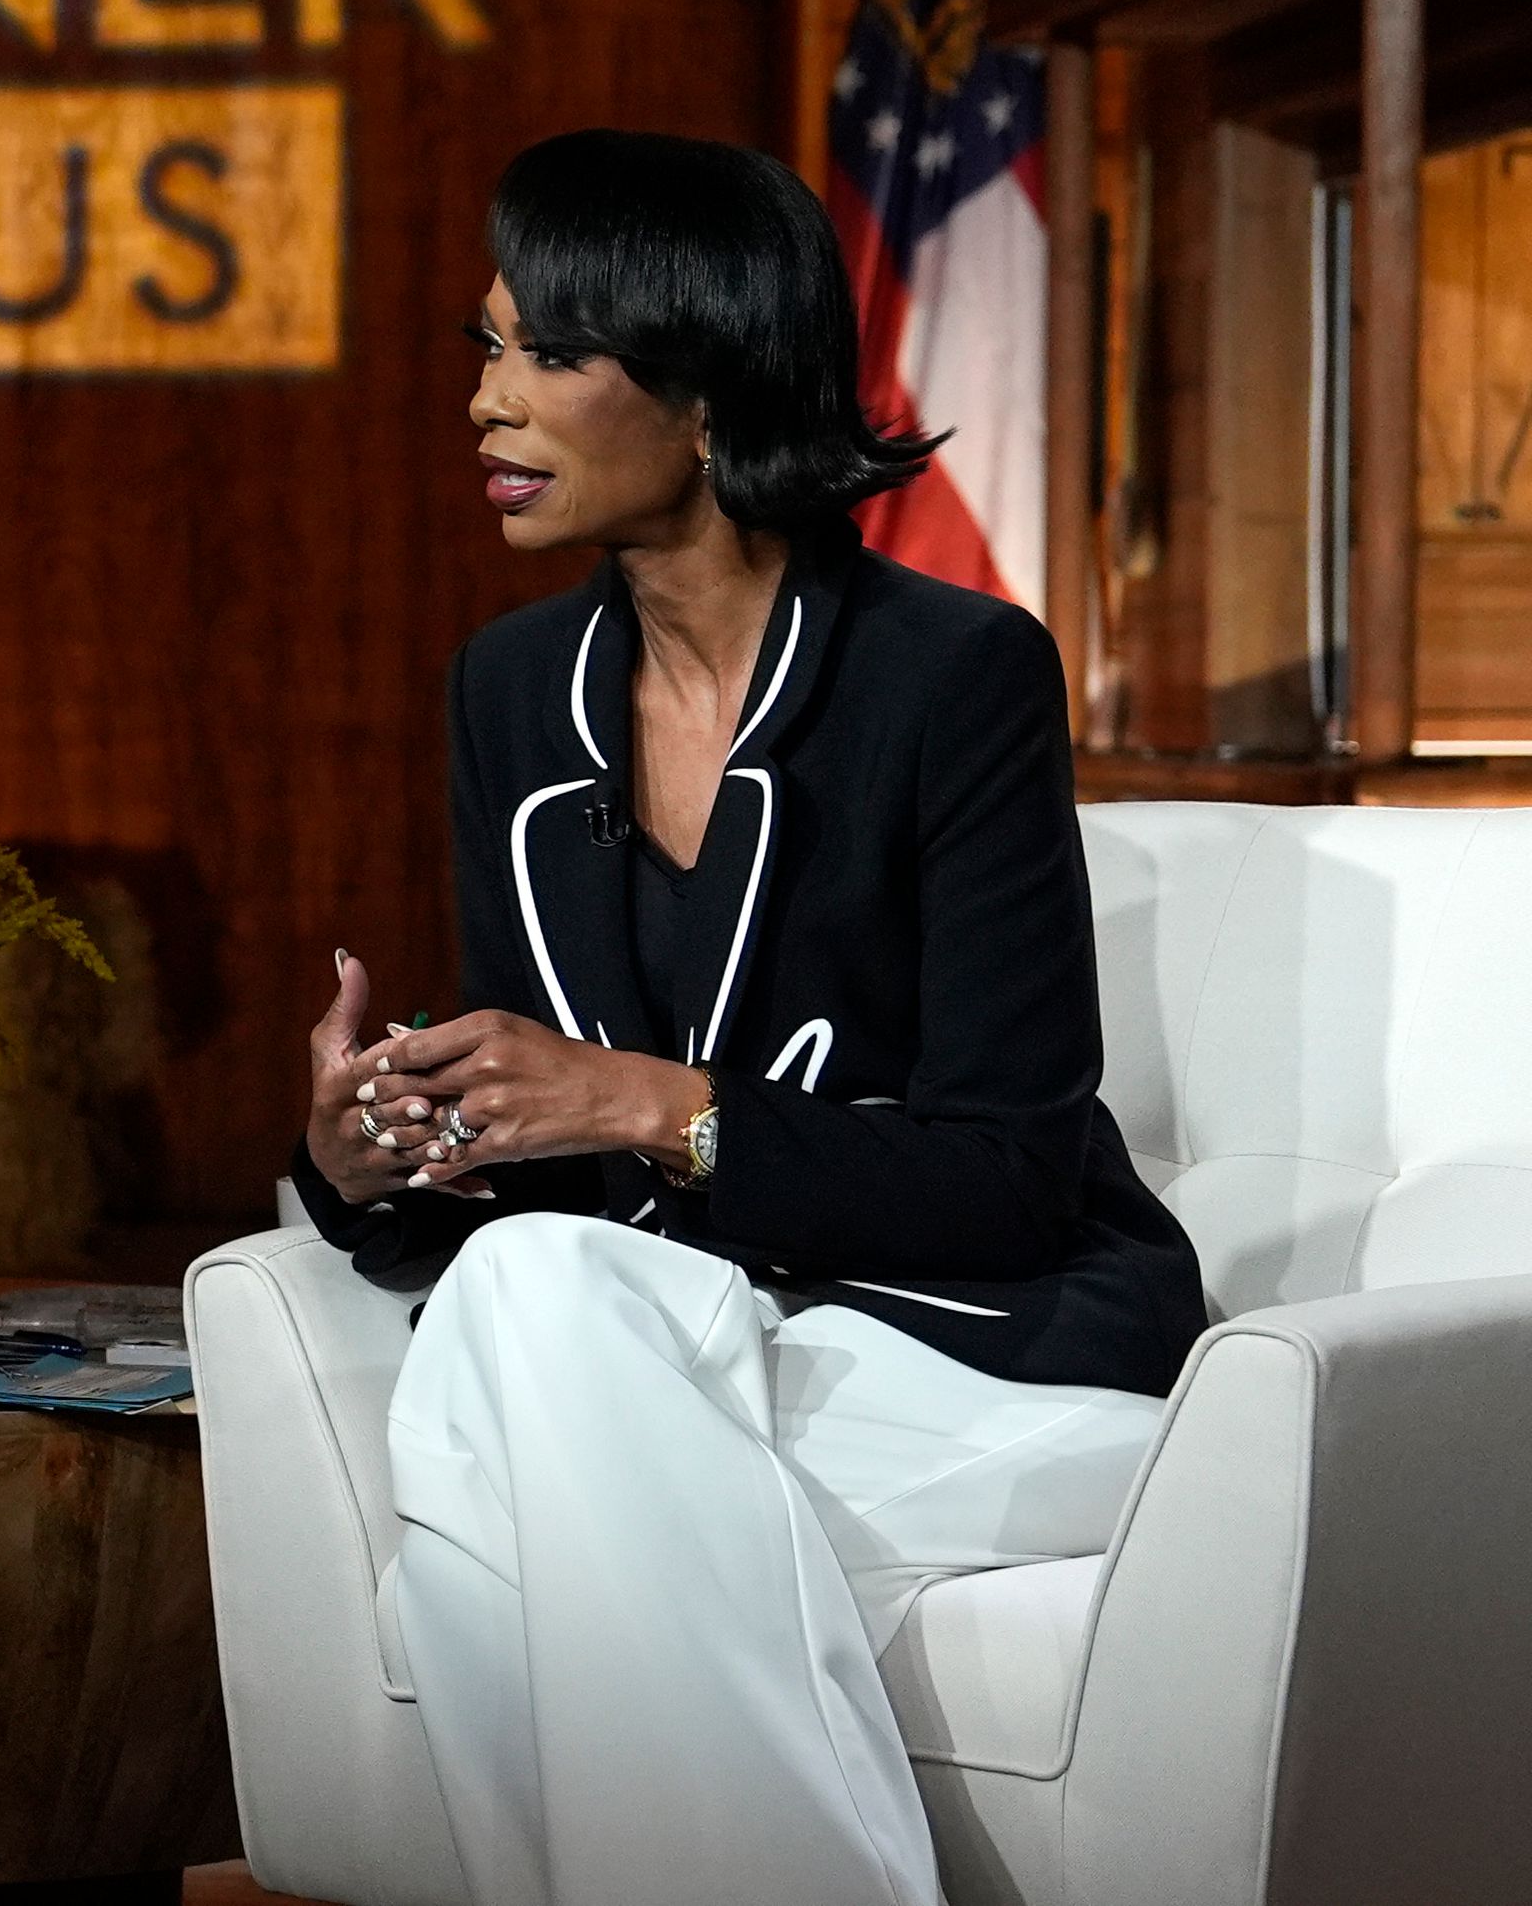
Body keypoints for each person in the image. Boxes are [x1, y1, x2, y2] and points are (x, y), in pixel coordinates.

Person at [288, 130, 1208, 1906]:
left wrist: (650, 1106)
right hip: (662, 1351)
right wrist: (372, 1153)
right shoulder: (508, 693)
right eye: (486, 349)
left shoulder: (957, 677)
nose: (488, 404)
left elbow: (1011, 1177)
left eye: (546, 353)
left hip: (981, 1348)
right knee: (520, 1332)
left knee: (499, 1446)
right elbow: (529, 1146)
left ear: (707, 394)